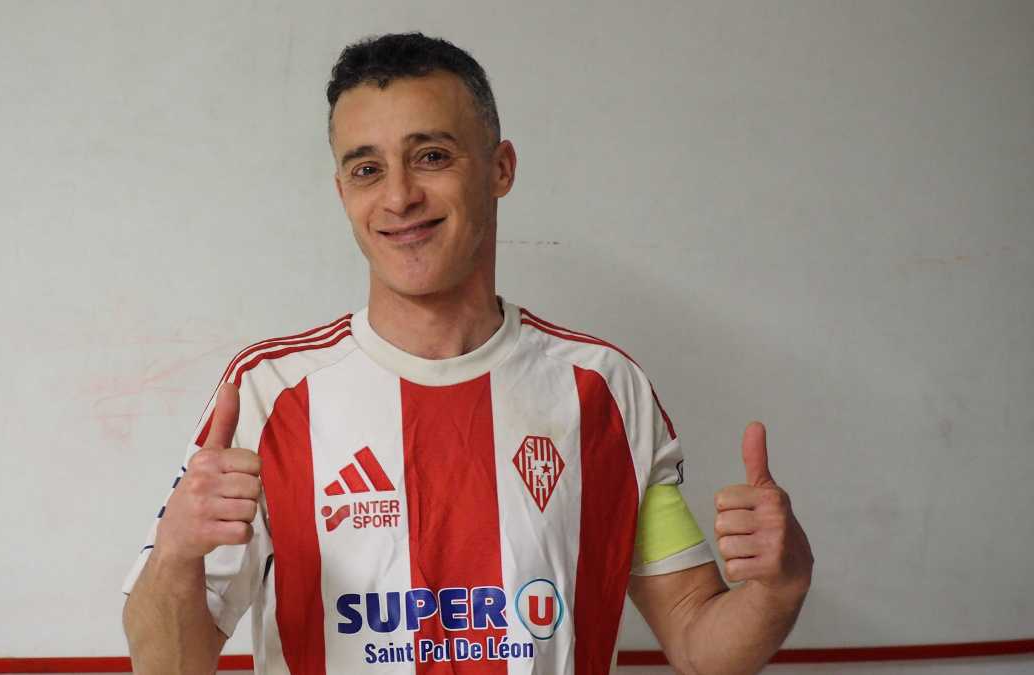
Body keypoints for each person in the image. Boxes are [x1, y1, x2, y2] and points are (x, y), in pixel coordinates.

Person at [122, 32, 813, 675]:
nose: (399, 196)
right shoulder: (268, 393)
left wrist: (779, 588)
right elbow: (167, 662)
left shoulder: (604, 389)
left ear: (500, 168)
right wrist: (177, 553)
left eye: (431, 156)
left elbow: (698, 639)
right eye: (367, 169)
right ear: (343, 192)